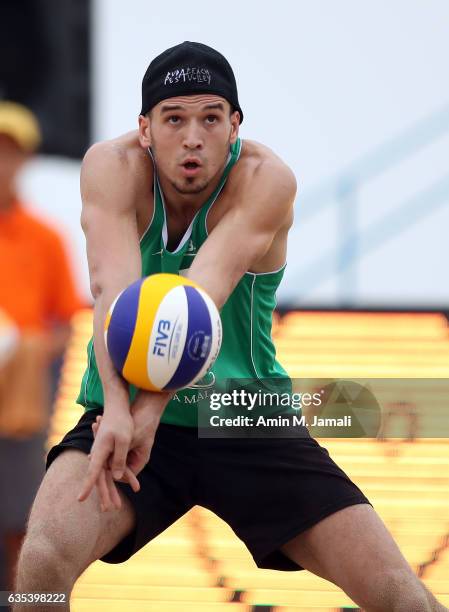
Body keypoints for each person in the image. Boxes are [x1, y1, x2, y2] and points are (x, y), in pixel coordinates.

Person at [14, 43, 446, 612]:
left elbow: (195, 305)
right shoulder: (111, 168)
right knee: (40, 565)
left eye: (210, 118)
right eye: (174, 119)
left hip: (243, 414)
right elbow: (112, 297)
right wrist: (118, 409)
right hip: (133, 407)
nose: (193, 136)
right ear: (145, 129)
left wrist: (144, 411)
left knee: (398, 594)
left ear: (235, 125)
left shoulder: (266, 179)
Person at [0, 102, 82, 595]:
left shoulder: (46, 237)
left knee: (21, 521)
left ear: (26, 160)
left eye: (10, 153)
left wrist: (22, 354)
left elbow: (66, 322)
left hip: (23, 407)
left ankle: (27, 604)